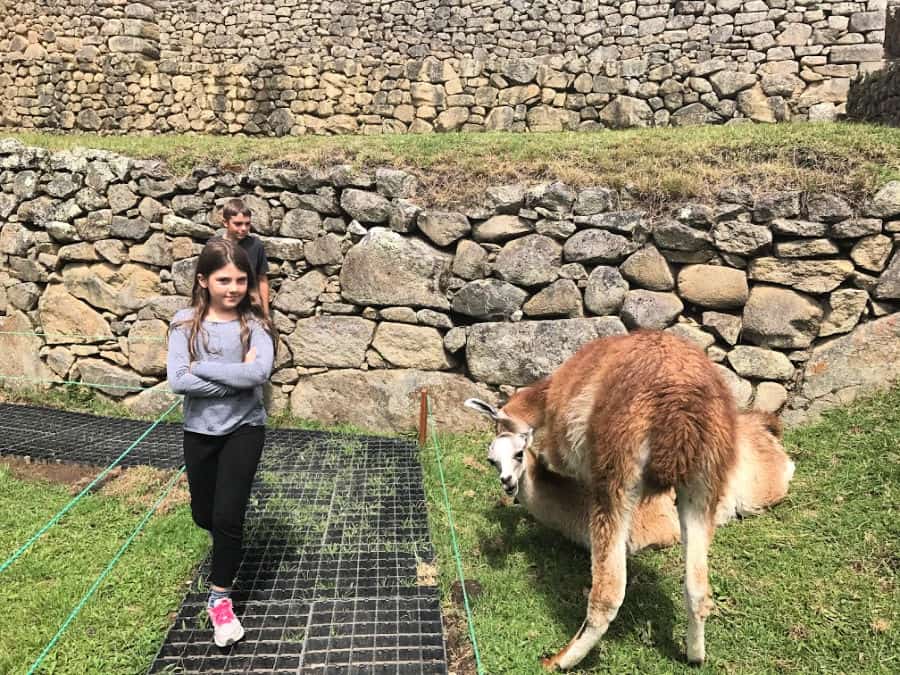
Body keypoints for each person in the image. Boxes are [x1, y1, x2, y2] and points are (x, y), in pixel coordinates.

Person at [166, 237, 276, 648]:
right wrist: (234, 378)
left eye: (241, 280)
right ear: (203, 280)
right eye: (223, 279)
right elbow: (177, 380)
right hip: (199, 431)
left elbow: (259, 375)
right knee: (204, 514)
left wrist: (204, 368)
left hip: (245, 429)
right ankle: (225, 544)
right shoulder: (183, 324)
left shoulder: (256, 326)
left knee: (229, 517)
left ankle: (220, 600)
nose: (233, 288)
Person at [217, 198, 270, 317]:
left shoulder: (256, 245)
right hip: (221, 308)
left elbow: (262, 279)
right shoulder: (215, 246)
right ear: (225, 223)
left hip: (250, 309)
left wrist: (266, 313)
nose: (244, 229)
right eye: (238, 224)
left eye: (247, 224)